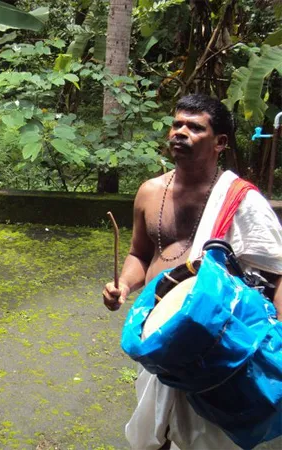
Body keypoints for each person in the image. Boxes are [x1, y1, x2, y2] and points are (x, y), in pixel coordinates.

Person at [102, 93, 282, 449]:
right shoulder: (150, 192)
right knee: (159, 429)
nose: (180, 132)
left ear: (220, 142)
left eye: (194, 127)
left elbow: (276, 276)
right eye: (177, 124)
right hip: (159, 334)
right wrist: (123, 284)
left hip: (213, 345)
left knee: (209, 436)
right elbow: (140, 252)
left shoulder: (243, 201)